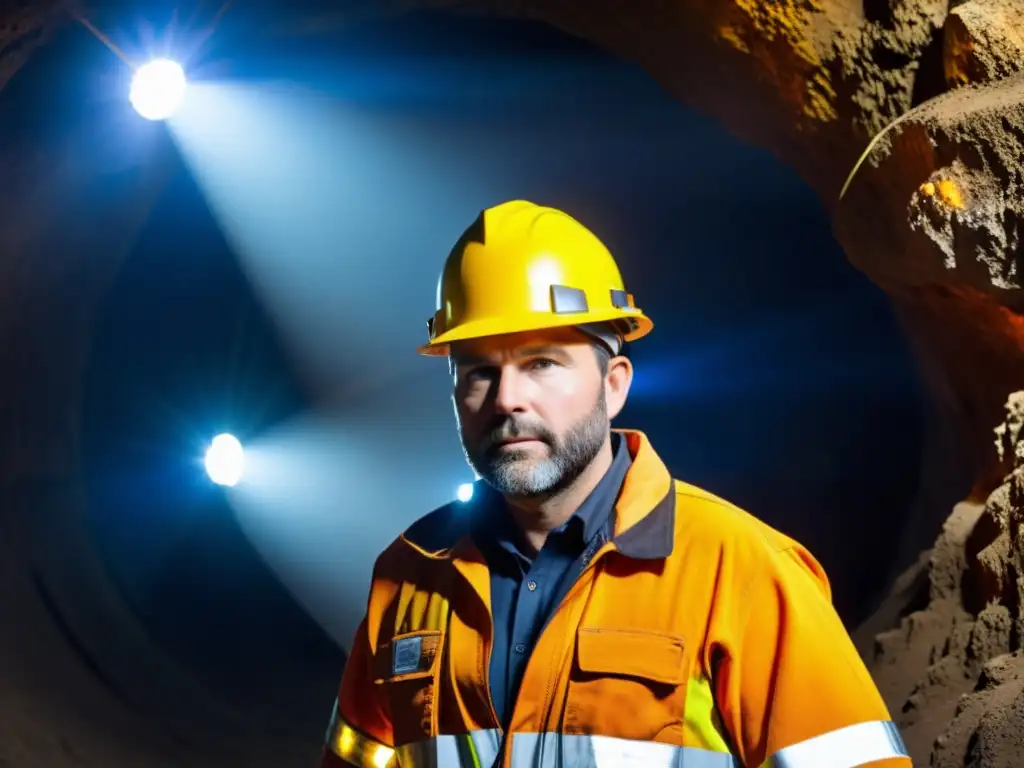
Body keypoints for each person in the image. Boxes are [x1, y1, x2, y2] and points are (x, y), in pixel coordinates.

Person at [319, 200, 911, 768]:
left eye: (542, 363)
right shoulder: (408, 574)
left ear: (614, 384)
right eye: (479, 372)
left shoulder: (742, 573)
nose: (506, 399)